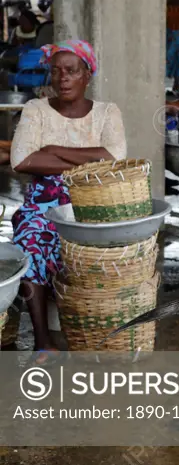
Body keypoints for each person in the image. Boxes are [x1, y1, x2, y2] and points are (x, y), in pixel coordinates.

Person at [10, 40, 126, 355]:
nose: (62, 78)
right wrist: (86, 159)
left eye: (71, 71)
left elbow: (114, 157)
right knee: (31, 240)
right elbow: (21, 161)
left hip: (91, 201)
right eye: (56, 71)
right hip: (41, 205)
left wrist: (51, 151)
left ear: (87, 75)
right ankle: (42, 341)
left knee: (94, 250)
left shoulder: (105, 113)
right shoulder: (36, 110)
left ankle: (90, 335)